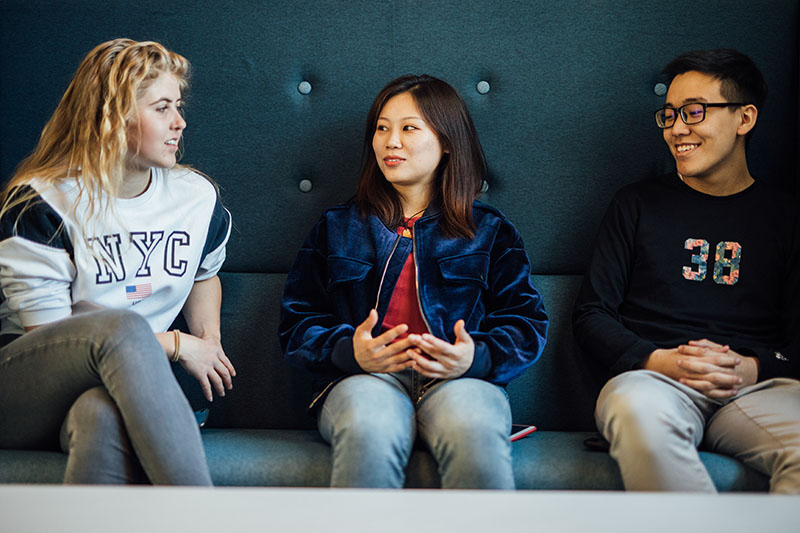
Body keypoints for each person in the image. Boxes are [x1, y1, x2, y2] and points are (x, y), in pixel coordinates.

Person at [279, 74, 548, 489]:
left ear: (445, 143)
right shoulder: (338, 226)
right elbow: (297, 322)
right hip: (363, 381)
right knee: (370, 427)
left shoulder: (490, 231)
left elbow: (525, 324)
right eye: (382, 128)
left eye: (409, 128)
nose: (391, 141)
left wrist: (473, 358)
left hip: (459, 381)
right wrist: (351, 352)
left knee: (474, 428)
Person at [0, 39, 236, 485]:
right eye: (162, 107)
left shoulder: (195, 196)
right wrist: (178, 345)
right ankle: (205, 520)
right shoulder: (41, 203)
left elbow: (205, 272)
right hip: (24, 387)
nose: (179, 122)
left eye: (178, 106)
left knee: (99, 415)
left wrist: (209, 339)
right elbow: (54, 340)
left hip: (117, 388)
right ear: (111, 118)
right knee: (120, 326)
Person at [573, 48, 800, 493]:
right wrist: (662, 361)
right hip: (653, 382)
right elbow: (591, 315)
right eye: (670, 114)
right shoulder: (636, 205)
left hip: (756, 387)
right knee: (636, 415)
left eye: (694, 112)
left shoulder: (786, 217)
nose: (677, 129)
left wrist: (753, 367)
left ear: (745, 118)